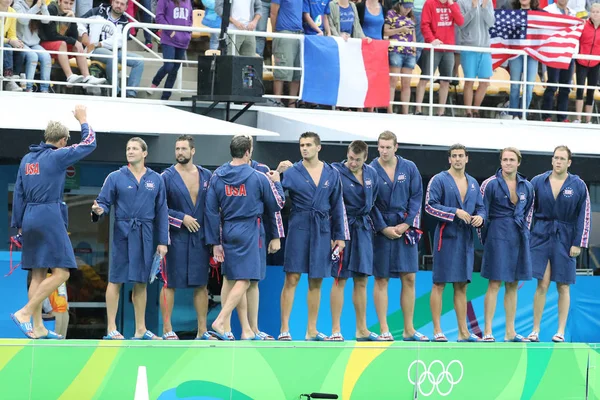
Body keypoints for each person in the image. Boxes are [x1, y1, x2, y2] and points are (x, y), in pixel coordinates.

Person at [10, 105, 96, 339]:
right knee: (62, 273)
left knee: (38, 275)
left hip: (29, 217)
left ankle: (38, 327)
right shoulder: (58, 155)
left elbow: (18, 192)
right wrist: (84, 119)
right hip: (49, 215)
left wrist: (19, 225)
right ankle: (25, 313)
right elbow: (89, 143)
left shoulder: (27, 159)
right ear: (63, 140)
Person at [204, 135, 285, 340]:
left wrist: (215, 243)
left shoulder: (217, 176)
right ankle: (221, 320)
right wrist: (277, 183)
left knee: (231, 279)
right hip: (250, 229)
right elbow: (276, 204)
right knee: (245, 280)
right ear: (248, 152)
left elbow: (211, 211)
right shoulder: (258, 177)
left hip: (228, 228)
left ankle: (245, 330)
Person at [92, 137, 169, 340]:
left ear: (145, 153)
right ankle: (111, 328)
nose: (131, 151)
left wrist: (162, 242)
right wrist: (98, 210)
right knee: (116, 280)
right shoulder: (115, 177)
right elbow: (103, 202)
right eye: (128, 148)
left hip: (146, 235)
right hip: (122, 234)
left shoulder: (156, 179)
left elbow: (162, 212)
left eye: (135, 148)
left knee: (141, 282)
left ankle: (140, 329)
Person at [276, 132, 349, 341]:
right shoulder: (291, 172)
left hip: (323, 229)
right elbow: (277, 199)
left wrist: (340, 236)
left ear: (319, 147)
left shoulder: (331, 173)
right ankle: (284, 329)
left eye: (308, 145)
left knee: (316, 280)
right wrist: (277, 176)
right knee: (292, 277)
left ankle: (312, 330)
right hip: (299, 225)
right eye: (301, 145)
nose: (304, 148)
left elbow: (337, 205)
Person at [527, 146, 591, 343]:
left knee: (563, 286)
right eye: (555, 158)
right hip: (541, 234)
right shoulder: (538, 181)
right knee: (542, 284)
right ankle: (535, 330)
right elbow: (528, 210)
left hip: (565, 237)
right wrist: (526, 236)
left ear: (569, 163)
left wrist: (578, 243)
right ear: (552, 160)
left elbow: (584, 216)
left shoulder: (578, 185)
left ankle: (560, 331)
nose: (558, 162)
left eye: (562, 159)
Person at [370, 131, 428, 342]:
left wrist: (406, 223)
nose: (384, 151)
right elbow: (370, 202)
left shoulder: (409, 167)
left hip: (405, 226)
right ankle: (384, 329)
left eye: (388, 147)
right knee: (381, 278)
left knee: (409, 277)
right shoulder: (371, 169)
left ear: (396, 147)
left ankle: (409, 329)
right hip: (381, 228)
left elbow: (416, 197)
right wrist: (383, 227)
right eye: (381, 147)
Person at [425, 144, 485, 342]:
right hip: (446, 237)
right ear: (449, 159)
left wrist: (481, 218)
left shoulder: (474, 183)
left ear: (467, 158)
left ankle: (463, 332)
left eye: (461, 156)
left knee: (462, 286)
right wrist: (454, 212)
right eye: (454, 156)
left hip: (466, 239)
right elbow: (429, 207)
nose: (458, 159)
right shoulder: (439, 179)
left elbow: (481, 208)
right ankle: (437, 330)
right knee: (439, 284)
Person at [329, 141, 386, 342]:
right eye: (351, 158)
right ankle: (336, 329)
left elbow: (374, 204)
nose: (353, 163)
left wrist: (382, 228)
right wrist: (335, 234)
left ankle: (362, 329)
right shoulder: (335, 171)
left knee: (362, 280)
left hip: (363, 230)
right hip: (342, 229)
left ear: (365, 158)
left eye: (358, 160)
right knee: (340, 279)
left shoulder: (372, 174)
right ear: (347, 154)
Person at [160, 135, 213, 340]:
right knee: (169, 283)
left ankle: (202, 330)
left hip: (199, 238)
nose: (179, 152)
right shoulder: (166, 176)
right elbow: (160, 208)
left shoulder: (206, 175)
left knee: (201, 284)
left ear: (193, 151)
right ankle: (167, 328)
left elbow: (213, 207)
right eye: (177, 149)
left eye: (183, 148)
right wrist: (180, 218)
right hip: (176, 238)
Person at [480, 147, 534, 342]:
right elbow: (482, 213)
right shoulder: (490, 184)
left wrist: (525, 235)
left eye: (512, 159)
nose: (508, 163)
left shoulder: (527, 186)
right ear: (500, 162)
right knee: (494, 283)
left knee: (513, 284)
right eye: (505, 159)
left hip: (518, 236)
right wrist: (486, 240)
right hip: (496, 234)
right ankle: (487, 331)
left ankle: (510, 332)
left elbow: (528, 214)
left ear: (518, 162)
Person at [79, 0, 145, 98]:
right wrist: (83, 34)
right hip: (95, 51)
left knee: (139, 61)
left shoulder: (125, 23)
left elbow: (118, 41)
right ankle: (117, 92)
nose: (119, 6)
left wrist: (99, 44)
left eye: (122, 4)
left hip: (112, 50)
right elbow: (79, 22)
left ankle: (130, 94)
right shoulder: (97, 12)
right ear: (112, 3)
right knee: (112, 57)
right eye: (117, 2)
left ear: (126, 7)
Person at [414, 0, 464, 116]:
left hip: (448, 48)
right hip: (432, 48)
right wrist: (432, 40)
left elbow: (460, 22)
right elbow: (424, 24)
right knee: (425, 78)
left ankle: (440, 112)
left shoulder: (452, 4)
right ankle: (418, 110)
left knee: (446, 81)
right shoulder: (429, 3)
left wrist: (451, 4)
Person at [39, 0, 105, 86]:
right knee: (64, 43)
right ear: (59, 2)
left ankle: (87, 77)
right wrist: (74, 41)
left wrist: (72, 19)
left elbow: (74, 37)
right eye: (65, 3)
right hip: (45, 43)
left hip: (59, 46)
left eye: (70, 4)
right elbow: (51, 35)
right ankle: (69, 76)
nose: (68, 6)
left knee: (77, 46)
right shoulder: (52, 9)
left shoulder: (69, 12)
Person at [457, 0, 495, 117]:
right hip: (468, 46)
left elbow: (491, 23)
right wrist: (473, 9)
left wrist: (483, 7)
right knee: (469, 81)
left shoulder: (488, 2)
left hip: (484, 47)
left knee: (485, 81)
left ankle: (475, 110)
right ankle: (468, 112)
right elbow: (461, 23)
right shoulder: (461, 2)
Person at [150, 0, 193, 100]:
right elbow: (159, 16)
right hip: (168, 39)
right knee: (168, 66)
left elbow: (190, 18)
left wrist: (188, 34)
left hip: (183, 40)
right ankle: (155, 82)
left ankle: (165, 98)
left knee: (174, 70)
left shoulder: (188, 1)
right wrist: (171, 31)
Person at [542, 0, 576, 122]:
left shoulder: (573, 13)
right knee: (552, 84)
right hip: (553, 53)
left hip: (568, 54)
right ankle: (547, 115)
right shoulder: (548, 10)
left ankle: (562, 116)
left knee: (565, 86)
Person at [508, 0, 539, 120]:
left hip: (532, 53)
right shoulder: (511, 13)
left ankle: (523, 114)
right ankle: (514, 115)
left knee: (529, 86)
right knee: (515, 85)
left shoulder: (539, 14)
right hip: (516, 52)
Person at [13, 0, 52, 93]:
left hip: (34, 43)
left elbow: (46, 20)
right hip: (20, 41)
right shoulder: (17, 4)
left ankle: (45, 89)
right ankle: (28, 88)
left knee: (46, 56)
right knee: (33, 56)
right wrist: (36, 7)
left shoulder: (38, 4)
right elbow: (23, 21)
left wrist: (42, 5)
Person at [384, 0, 416, 114]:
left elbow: (413, 34)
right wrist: (400, 30)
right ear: (400, 5)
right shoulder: (391, 14)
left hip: (409, 52)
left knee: (406, 83)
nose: (408, 10)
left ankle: (405, 112)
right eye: (406, 7)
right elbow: (386, 32)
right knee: (393, 81)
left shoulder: (411, 18)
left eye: (410, 8)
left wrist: (414, 50)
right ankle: (390, 110)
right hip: (396, 50)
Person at [270, 0, 303, 106]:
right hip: (284, 31)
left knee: (297, 71)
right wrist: (276, 32)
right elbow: (273, 12)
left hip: (299, 33)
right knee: (282, 69)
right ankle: (277, 101)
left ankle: (292, 103)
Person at [574, 4, 600, 124]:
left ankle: (588, 120)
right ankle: (578, 118)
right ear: (589, 13)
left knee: (591, 90)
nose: (595, 14)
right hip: (581, 61)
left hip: (596, 63)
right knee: (580, 89)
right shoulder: (583, 25)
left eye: (598, 12)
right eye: (593, 11)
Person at [1, 0, 23, 91]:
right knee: (7, 48)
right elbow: (8, 39)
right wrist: (10, 41)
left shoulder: (12, 12)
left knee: (21, 51)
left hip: (4, 41)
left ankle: (13, 80)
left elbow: (12, 33)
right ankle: (9, 80)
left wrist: (16, 41)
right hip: (3, 43)